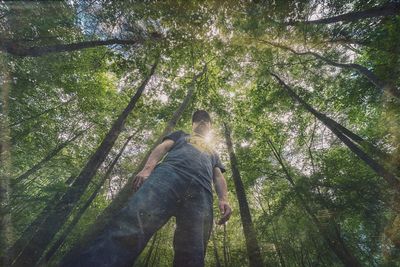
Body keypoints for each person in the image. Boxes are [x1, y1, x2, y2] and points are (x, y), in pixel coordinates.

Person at [61, 110, 232, 267]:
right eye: (197, 119)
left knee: (194, 250)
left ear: (210, 127)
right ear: (193, 124)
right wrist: (147, 169)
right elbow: (163, 147)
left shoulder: (214, 152)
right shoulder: (181, 135)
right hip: (168, 175)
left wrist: (224, 199)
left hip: (202, 192)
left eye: (205, 120)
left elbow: (218, 176)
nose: (201, 121)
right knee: (132, 225)